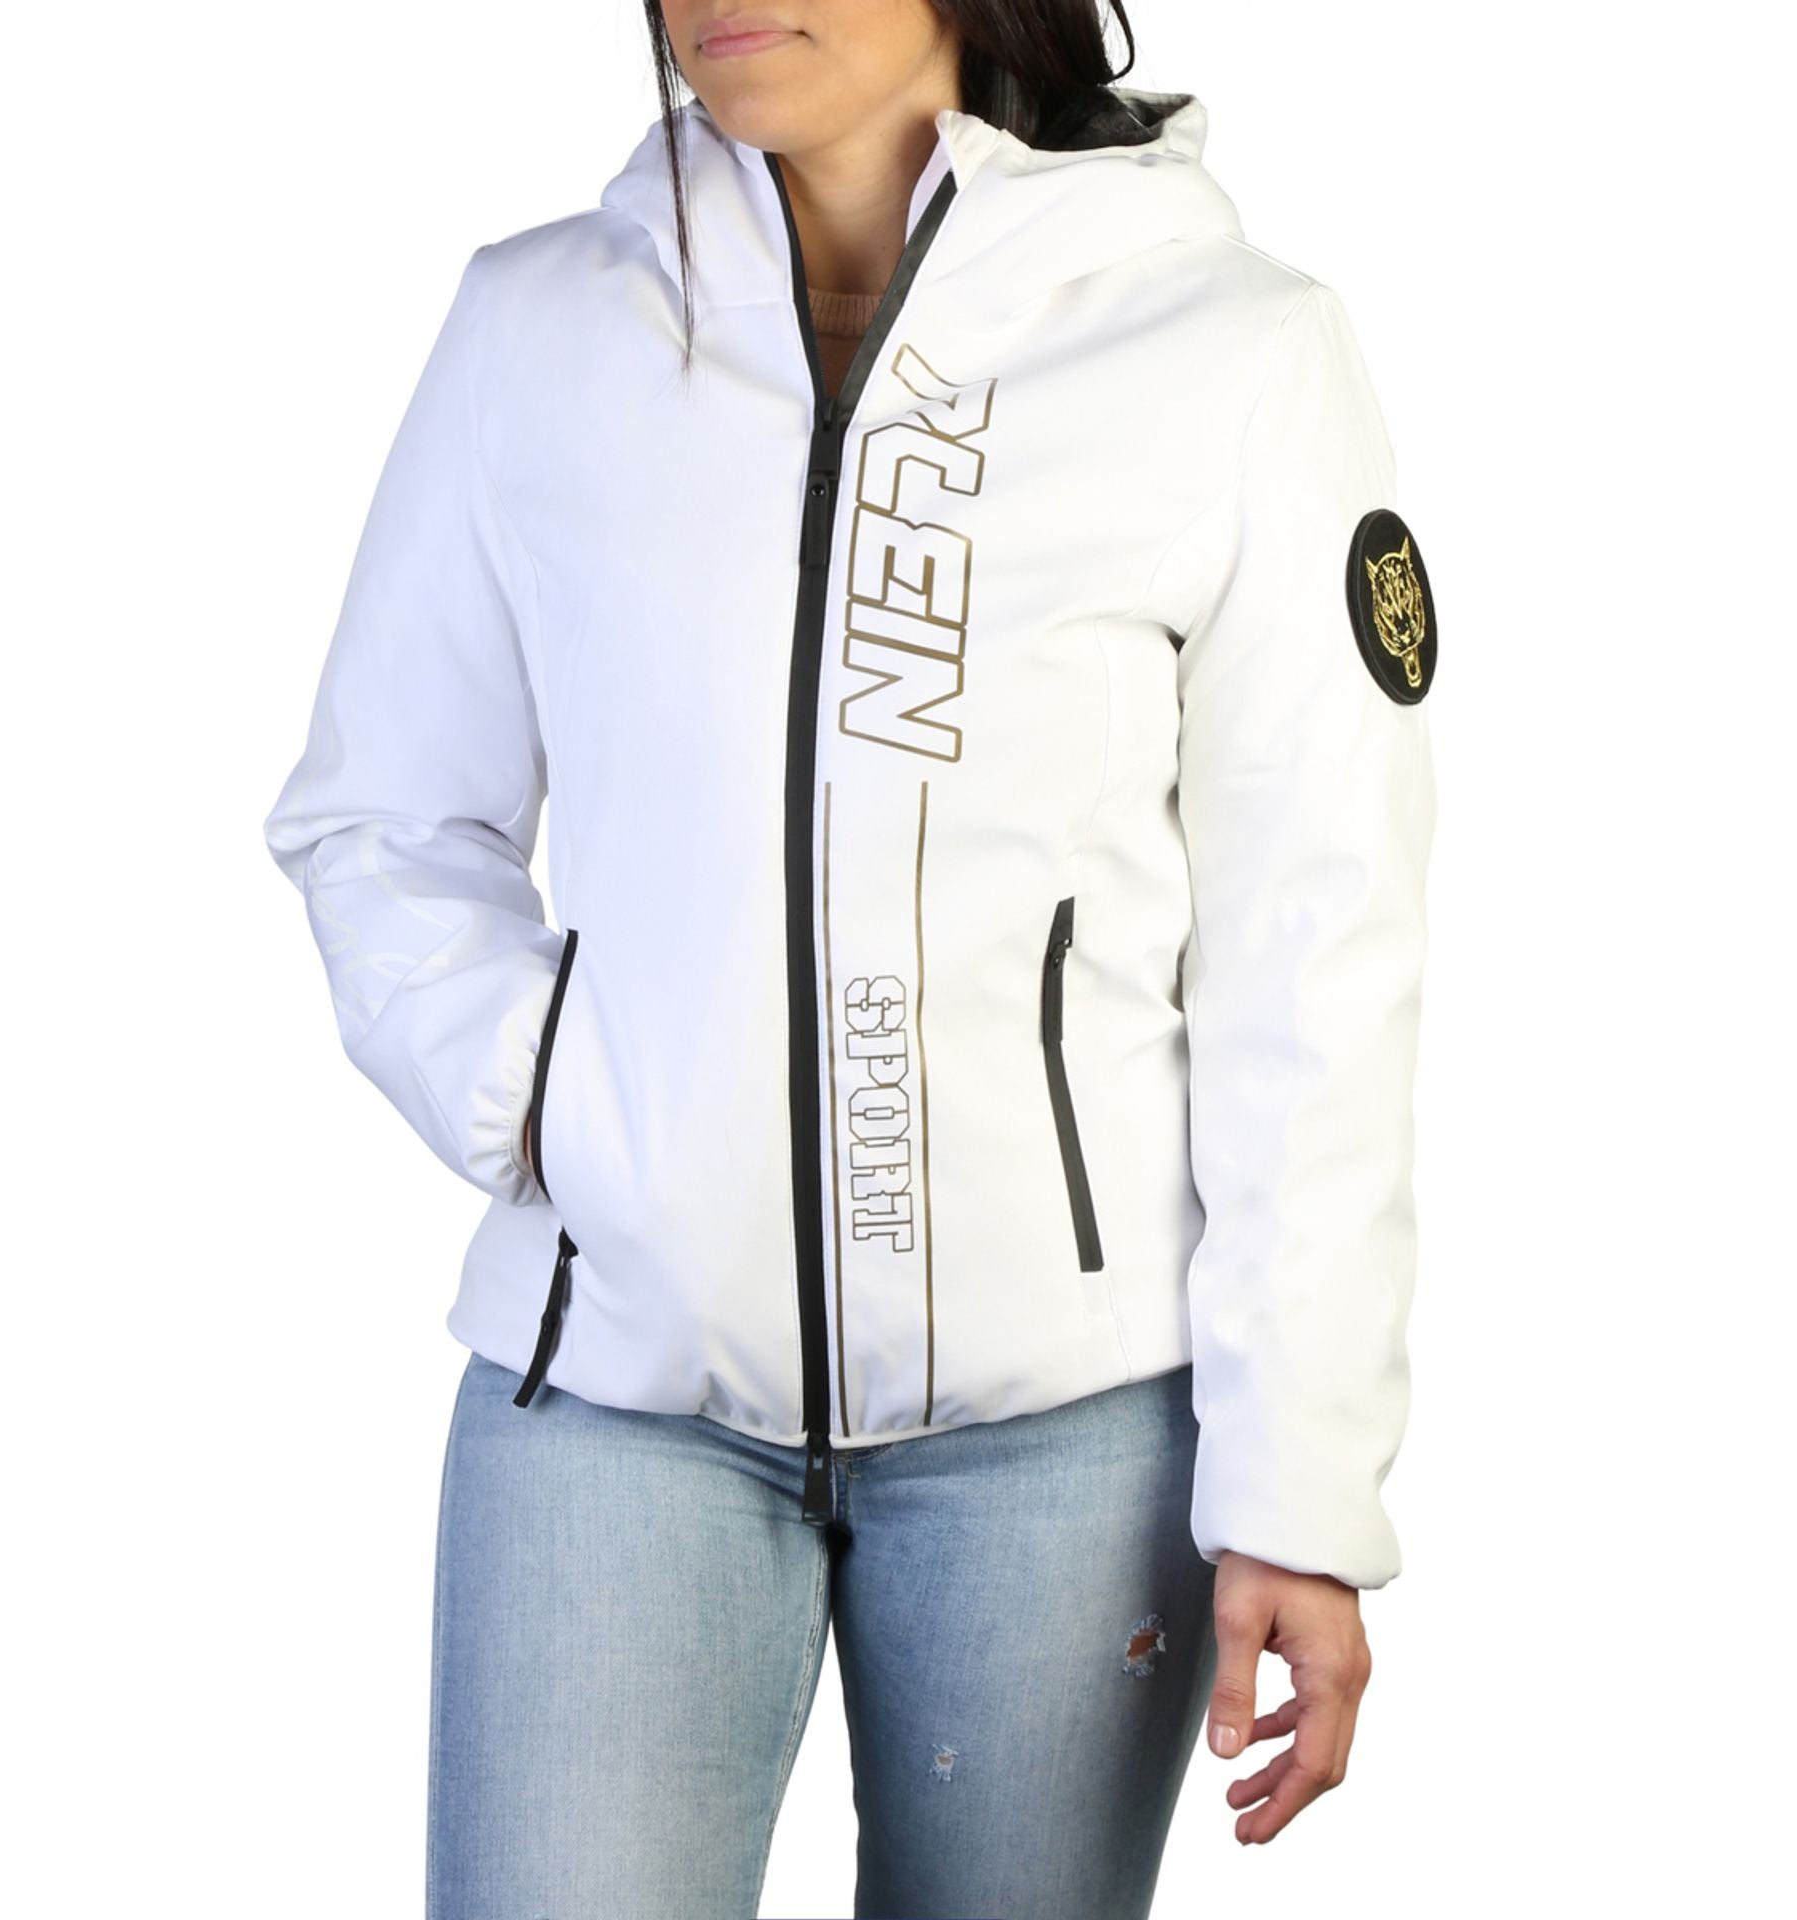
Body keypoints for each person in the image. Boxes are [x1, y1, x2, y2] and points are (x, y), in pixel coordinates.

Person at [260, 3, 1439, 1914]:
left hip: (1065, 1449)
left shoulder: (1232, 357)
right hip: (612, 1400)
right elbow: (377, 821)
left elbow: (1317, 956)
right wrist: (564, 1105)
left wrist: (1303, 1484)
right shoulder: (537, 334)